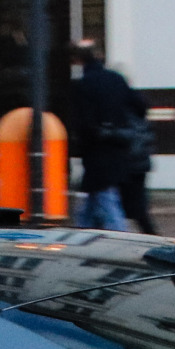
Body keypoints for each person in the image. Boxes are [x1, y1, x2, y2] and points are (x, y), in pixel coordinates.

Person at [70, 42, 153, 232]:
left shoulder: (83, 85)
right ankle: (83, 231)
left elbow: (83, 124)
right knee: (97, 199)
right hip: (120, 149)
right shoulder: (116, 79)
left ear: (79, 61)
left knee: (105, 200)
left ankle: (118, 238)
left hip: (96, 151)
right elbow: (140, 106)